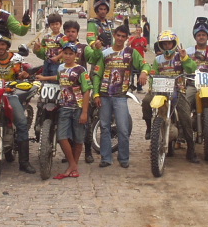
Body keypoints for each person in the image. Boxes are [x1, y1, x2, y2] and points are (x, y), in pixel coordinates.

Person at [0, 25, 36, 173]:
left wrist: (24, 76)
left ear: (7, 45)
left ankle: (24, 162)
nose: (0, 47)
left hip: (10, 95)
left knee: (21, 123)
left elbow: (23, 75)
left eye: (3, 44)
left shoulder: (16, 60)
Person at [93, 24, 149, 168]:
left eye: (123, 36)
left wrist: (144, 72)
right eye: (118, 35)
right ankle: (106, 158)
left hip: (121, 95)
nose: (120, 38)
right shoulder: (105, 53)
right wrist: (96, 94)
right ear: (114, 35)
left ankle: (123, 158)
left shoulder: (131, 53)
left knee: (123, 129)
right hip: (104, 95)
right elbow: (97, 74)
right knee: (105, 127)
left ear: (126, 38)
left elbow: (145, 64)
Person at [142, 30, 199, 162]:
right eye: (164, 44)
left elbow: (192, 69)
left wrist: (185, 58)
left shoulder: (181, 57)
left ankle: (191, 149)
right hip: (159, 91)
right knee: (146, 101)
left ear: (174, 44)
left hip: (177, 91)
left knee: (186, 117)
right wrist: (151, 86)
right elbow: (153, 74)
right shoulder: (157, 59)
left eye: (169, 43)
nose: (167, 46)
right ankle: (150, 128)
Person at [59, 20, 103, 164]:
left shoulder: (84, 48)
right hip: (66, 91)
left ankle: (88, 152)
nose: (70, 34)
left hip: (81, 91)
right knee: (68, 125)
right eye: (68, 31)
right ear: (64, 32)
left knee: (86, 122)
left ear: (78, 33)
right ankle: (69, 154)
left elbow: (94, 57)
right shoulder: (62, 48)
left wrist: (96, 49)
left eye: (73, 31)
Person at [52, 42, 92, 179]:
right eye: (65, 53)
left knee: (78, 138)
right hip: (64, 107)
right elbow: (58, 80)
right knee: (62, 137)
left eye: (71, 54)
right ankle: (73, 164)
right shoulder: (60, 68)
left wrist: (85, 112)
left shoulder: (81, 70)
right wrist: (43, 78)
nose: (68, 56)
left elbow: (86, 91)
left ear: (76, 55)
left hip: (78, 107)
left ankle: (73, 166)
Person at [33, 12, 64, 78]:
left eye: (57, 24)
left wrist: (57, 57)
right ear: (49, 25)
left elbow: (66, 51)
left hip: (57, 63)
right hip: (47, 62)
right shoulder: (46, 37)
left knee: (55, 80)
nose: (55, 26)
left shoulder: (63, 38)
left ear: (60, 24)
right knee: (45, 79)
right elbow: (42, 51)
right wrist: (37, 48)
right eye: (52, 24)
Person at [127, 25, 148, 92]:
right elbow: (127, 45)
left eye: (139, 30)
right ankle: (131, 87)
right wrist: (134, 38)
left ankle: (139, 88)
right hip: (132, 58)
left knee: (139, 73)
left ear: (141, 31)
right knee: (131, 74)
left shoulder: (143, 39)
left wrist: (143, 46)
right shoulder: (132, 38)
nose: (138, 31)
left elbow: (146, 50)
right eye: (137, 30)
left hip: (140, 58)